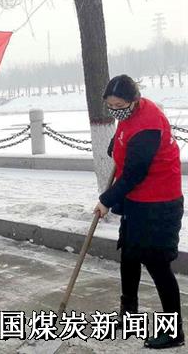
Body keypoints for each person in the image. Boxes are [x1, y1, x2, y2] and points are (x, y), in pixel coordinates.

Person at [93, 75, 184, 349]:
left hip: (159, 204)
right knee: (130, 255)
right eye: (110, 106)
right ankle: (129, 313)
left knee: (157, 265)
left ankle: (173, 332)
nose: (115, 111)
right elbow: (125, 135)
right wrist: (116, 143)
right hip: (138, 201)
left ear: (134, 100)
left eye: (119, 106)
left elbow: (134, 173)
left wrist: (106, 200)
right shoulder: (131, 113)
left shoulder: (148, 124)